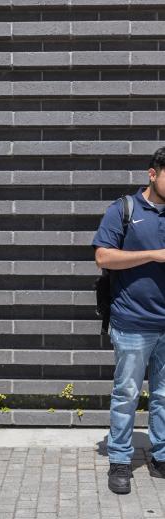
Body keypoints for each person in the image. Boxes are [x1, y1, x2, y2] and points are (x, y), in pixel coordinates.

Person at [92, 147, 165, 494]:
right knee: (126, 394)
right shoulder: (123, 209)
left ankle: (161, 454)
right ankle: (120, 459)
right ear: (153, 174)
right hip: (133, 322)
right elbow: (103, 256)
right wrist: (153, 255)